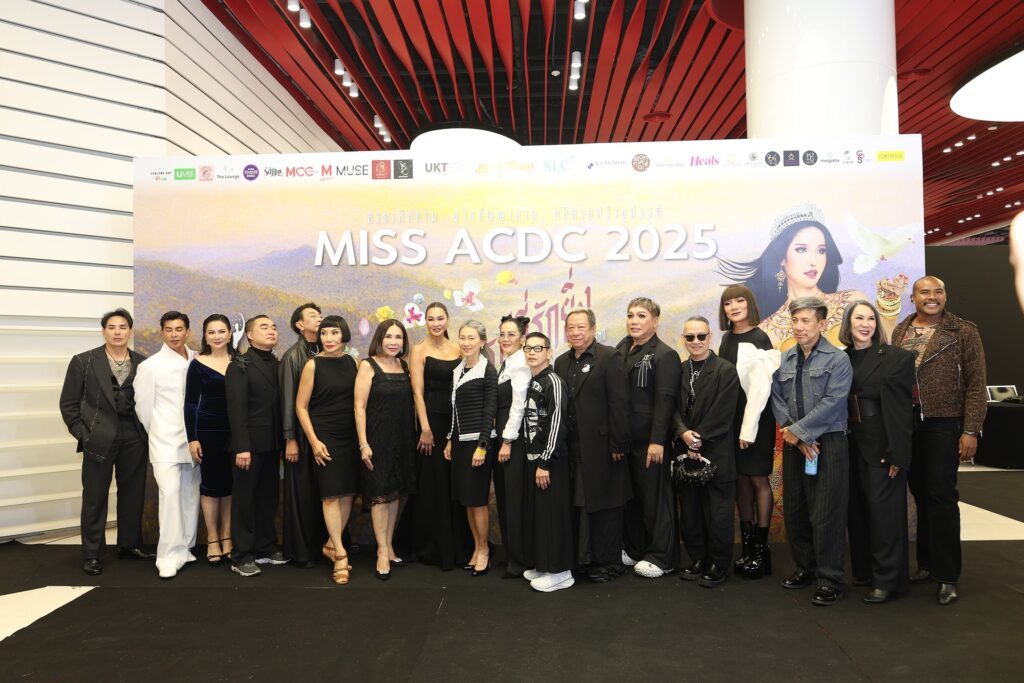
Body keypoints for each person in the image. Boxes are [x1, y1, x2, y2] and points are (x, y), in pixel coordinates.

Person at [891, 276, 987, 606]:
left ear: (945, 296)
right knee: (920, 493)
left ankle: (947, 576)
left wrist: (970, 430)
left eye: (938, 291)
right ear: (913, 297)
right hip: (908, 424)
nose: (932, 297)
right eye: (925, 292)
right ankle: (927, 565)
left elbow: (977, 384)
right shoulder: (901, 330)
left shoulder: (964, 331)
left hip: (944, 423)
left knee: (942, 496)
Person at [718, 202, 908, 350]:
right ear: (782, 257)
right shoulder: (768, 330)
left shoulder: (852, 301)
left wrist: (888, 304)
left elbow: (884, 342)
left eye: (821, 250)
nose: (814, 261)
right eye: (801, 250)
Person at [770, 297, 853, 606]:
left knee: (826, 512)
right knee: (796, 509)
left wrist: (802, 432)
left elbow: (834, 401)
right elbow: (775, 397)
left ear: (822, 324)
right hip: (795, 444)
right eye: (795, 321)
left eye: (806, 321)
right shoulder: (785, 359)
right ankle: (805, 568)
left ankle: (830, 579)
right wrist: (795, 435)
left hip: (828, 443)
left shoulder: (838, 359)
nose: (799, 327)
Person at [59, 308, 153, 576]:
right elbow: (68, 404)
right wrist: (83, 434)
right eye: (111, 327)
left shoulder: (143, 363)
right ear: (103, 331)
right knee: (94, 498)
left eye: (122, 327)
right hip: (98, 438)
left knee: (133, 494)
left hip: (134, 437)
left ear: (130, 331)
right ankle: (92, 554)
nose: (117, 332)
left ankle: (129, 545)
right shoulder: (83, 361)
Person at [839, 301, 914, 604]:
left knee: (885, 515)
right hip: (848, 444)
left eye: (871, 318)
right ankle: (865, 572)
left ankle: (888, 580)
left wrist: (898, 452)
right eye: (859, 318)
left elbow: (901, 411)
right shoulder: (840, 358)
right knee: (856, 512)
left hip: (882, 446)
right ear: (848, 323)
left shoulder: (895, 358)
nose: (865, 324)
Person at [553, 308, 630, 583]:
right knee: (579, 505)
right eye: (571, 328)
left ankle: (608, 562)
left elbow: (619, 404)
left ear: (593, 329)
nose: (575, 332)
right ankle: (583, 558)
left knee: (605, 506)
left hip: (603, 447)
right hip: (571, 448)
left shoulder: (609, 357)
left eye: (581, 327)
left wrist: (618, 443)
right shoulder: (561, 362)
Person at [396, 302, 473, 569]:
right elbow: (417, 393)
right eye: (431, 319)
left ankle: (458, 543)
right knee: (433, 481)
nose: (436, 323)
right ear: (425, 321)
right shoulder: (419, 350)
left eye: (440, 318)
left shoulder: (458, 349)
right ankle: (429, 544)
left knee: (454, 480)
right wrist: (425, 429)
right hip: (431, 422)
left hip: (456, 420)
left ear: (448, 320)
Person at [716, 285, 779, 579]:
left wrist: (748, 429)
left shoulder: (759, 338)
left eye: (740, 301)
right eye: (728, 303)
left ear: (750, 304)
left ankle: (762, 553)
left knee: (757, 478)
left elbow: (760, 390)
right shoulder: (726, 338)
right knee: (740, 478)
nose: (734, 307)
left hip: (755, 421)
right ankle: (748, 549)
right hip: (731, 420)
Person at [672, 316, 739, 588]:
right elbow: (669, 407)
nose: (696, 341)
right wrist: (683, 433)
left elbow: (724, 412)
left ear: (710, 337)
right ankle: (698, 558)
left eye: (701, 336)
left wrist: (697, 440)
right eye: (690, 337)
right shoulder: (678, 370)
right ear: (684, 339)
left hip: (716, 450)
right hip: (685, 451)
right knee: (690, 511)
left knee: (718, 512)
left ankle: (718, 564)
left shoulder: (725, 370)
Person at [616, 297, 680, 579]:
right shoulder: (621, 349)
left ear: (655, 321)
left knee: (655, 500)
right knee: (631, 499)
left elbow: (665, 402)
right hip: (625, 441)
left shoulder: (664, 355)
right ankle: (635, 548)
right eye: (631, 315)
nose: (634, 321)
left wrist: (658, 440)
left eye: (641, 316)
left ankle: (662, 556)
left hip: (650, 442)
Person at [295, 315, 359, 585]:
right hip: (325, 435)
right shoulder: (313, 365)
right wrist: (313, 440)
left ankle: (332, 544)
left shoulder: (352, 362)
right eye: (324, 333)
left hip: (350, 435)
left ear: (344, 335)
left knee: (348, 492)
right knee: (331, 494)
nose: (329, 338)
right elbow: (301, 407)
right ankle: (340, 554)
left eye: (334, 333)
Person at [134, 311, 198, 580]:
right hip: (164, 442)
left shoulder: (196, 358)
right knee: (170, 495)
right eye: (169, 329)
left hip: (194, 441)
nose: (174, 334)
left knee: (190, 496)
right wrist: (159, 432)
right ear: (162, 332)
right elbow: (143, 409)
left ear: (187, 331)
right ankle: (168, 556)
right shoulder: (150, 366)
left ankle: (186, 548)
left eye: (179, 329)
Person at [225, 315, 288, 577]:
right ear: (249, 335)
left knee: (267, 499)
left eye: (274, 327)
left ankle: (265, 547)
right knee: (245, 502)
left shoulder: (277, 364)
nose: (271, 331)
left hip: (272, 445)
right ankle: (241, 556)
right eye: (264, 327)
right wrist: (242, 447)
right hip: (248, 447)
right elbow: (236, 410)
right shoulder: (239, 365)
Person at [354, 319, 416, 580]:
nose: (393, 342)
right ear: (379, 339)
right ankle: (381, 550)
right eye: (388, 336)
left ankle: (389, 546)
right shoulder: (368, 366)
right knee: (380, 496)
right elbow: (359, 407)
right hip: (376, 441)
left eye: (398, 337)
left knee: (395, 494)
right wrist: (363, 444)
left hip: (402, 440)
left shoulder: (404, 366)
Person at [520, 332, 574, 593]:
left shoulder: (554, 381)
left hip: (551, 461)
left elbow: (557, 423)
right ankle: (545, 564)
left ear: (549, 352)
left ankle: (561, 571)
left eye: (538, 348)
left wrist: (545, 462)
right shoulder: (534, 380)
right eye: (528, 348)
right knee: (541, 516)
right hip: (534, 459)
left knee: (554, 515)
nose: (532, 352)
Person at [445, 321, 499, 577]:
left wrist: (483, 446)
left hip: (478, 444)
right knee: (467, 500)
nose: (466, 342)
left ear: (482, 342)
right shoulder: (458, 369)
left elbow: (490, 410)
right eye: (463, 337)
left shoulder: (487, 370)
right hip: (459, 443)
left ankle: (485, 550)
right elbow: (454, 410)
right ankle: (477, 548)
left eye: (471, 338)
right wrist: (449, 439)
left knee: (477, 501)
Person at [184, 314, 235, 566]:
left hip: (236, 432)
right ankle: (213, 537)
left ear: (230, 334)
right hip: (208, 432)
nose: (217, 336)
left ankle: (228, 535)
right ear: (204, 336)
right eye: (211, 332)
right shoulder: (197, 364)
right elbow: (191, 404)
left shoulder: (239, 361)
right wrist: (192, 438)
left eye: (221, 331)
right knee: (211, 486)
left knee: (230, 485)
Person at [279, 302, 327, 568]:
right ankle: (302, 551)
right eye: (312, 316)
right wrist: (290, 439)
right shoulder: (292, 356)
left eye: (320, 315)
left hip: (324, 433)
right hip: (299, 435)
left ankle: (326, 544)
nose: (318, 319)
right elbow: (288, 401)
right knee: (302, 494)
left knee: (325, 491)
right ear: (299, 324)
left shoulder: (326, 350)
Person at [492, 314, 532, 578]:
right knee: (506, 497)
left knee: (515, 499)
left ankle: (519, 560)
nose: (505, 339)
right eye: (502, 334)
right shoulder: (507, 362)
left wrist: (507, 441)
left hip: (513, 440)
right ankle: (511, 556)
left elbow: (519, 406)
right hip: (503, 436)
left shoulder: (521, 364)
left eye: (511, 335)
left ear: (522, 338)